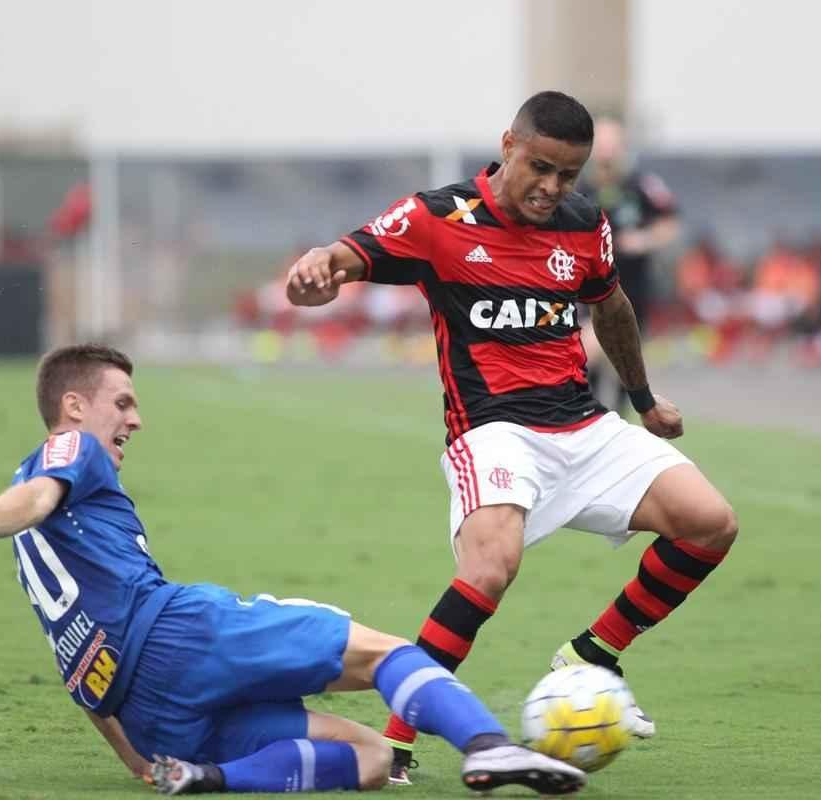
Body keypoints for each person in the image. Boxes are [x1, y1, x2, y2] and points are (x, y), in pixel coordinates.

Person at [285, 91, 738, 785]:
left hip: (584, 424)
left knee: (710, 523)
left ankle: (592, 653)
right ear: (508, 146)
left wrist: (645, 402)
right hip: (492, 429)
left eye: (569, 174)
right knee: (491, 567)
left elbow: (611, 307)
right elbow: (346, 255)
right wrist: (318, 269)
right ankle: (398, 741)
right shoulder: (437, 217)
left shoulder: (585, 222)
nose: (553, 188)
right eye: (542, 168)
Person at [0, 344, 586, 797]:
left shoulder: (36, 543)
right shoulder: (69, 450)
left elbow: (72, 658)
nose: (136, 418)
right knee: (389, 654)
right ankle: (487, 744)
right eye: (123, 402)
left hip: (150, 719)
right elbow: (39, 496)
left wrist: (134, 757)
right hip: (181, 638)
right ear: (74, 407)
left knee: (373, 759)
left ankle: (210, 781)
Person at [576, 116, 681, 413]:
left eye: (613, 143)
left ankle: (620, 417)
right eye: (602, 143)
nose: (607, 150)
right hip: (588, 290)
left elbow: (670, 223)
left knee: (627, 360)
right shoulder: (578, 188)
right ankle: (593, 414)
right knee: (589, 355)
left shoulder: (643, 185)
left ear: (622, 147)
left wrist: (644, 239)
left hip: (633, 288)